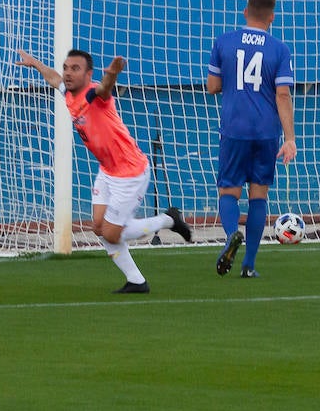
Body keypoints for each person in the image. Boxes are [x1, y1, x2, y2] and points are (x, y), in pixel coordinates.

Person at [17, 48, 192, 293]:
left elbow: (104, 89)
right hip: (108, 170)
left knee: (111, 234)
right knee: (99, 228)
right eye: (67, 67)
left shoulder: (93, 94)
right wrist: (35, 63)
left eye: (75, 69)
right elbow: (54, 78)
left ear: (89, 75)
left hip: (130, 172)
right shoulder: (68, 92)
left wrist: (111, 74)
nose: (68, 73)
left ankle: (169, 220)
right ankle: (136, 281)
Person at [207, 0, 297, 279]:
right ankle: (249, 265)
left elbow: (212, 86)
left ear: (245, 11)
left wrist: (233, 83)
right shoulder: (280, 49)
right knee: (259, 195)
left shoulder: (224, 42)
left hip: (234, 129)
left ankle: (232, 235)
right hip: (266, 132)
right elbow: (283, 95)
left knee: (229, 191)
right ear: (272, 17)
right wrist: (290, 138)